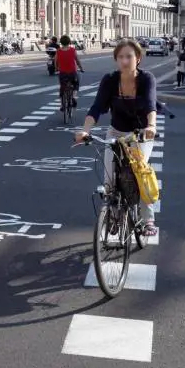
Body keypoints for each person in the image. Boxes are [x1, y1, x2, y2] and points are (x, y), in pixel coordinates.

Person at [75, 39, 158, 237]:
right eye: (120, 57)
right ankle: (113, 215)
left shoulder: (146, 79)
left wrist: (151, 126)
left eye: (129, 56)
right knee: (109, 179)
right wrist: (85, 130)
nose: (124, 61)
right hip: (116, 131)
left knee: (140, 173)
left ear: (138, 58)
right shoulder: (110, 80)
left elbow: (150, 105)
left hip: (140, 134)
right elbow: (96, 108)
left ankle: (148, 220)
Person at [55, 34, 83, 109]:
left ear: (61, 42)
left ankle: (62, 105)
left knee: (62, 88)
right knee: (76, 83)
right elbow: (77, 60)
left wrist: (56, 68)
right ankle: (73, 96)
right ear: (69, 42)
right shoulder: (72, 50)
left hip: (63, 73)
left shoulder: (58, 51)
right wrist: (81, 68)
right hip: (72, 72)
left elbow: (56, 61)